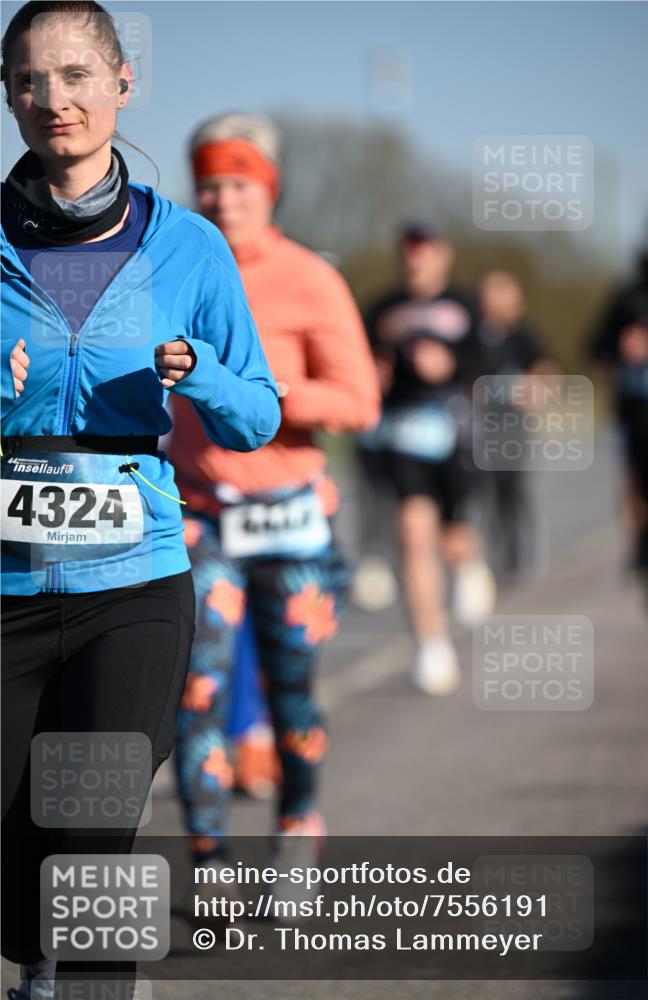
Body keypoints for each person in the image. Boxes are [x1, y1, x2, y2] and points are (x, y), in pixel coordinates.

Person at [0, 4, 280, 998]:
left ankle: (97, 981)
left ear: (123, 85)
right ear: (8, 93)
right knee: (17, 849)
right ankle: (42, 957)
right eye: (30, 79)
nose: (53, 100)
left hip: (136, 579)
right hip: (6, 587)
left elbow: (255, 418)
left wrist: (199, 369)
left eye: (77, 76)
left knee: (94, 823)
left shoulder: (191, 248)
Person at [168, 114, 380, 880]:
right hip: (202, 517)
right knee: (197, 692)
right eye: (211, 184)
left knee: (291, 694)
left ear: (268, 190)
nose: (223, 200)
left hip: (291, 520)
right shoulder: (177, 270)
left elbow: (360, 401)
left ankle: (297, 822)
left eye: (239, 184)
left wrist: (262, 396)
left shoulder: (308, 278)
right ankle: (211, 860)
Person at [365, 221, 496, 695]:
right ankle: (431, 642)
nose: (416, 260)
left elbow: (491, 362)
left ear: (444, 255)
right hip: (403, 436)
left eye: (425, 251)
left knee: (453, 535)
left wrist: (453, 365)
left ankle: (469, 562)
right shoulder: (383, 309)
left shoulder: (466, 306)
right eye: (409, 252)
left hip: (456, 435)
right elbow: (362, 360)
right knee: (414, 535)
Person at [591, 214, 648, 632]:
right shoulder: (630, 298)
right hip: (639, 420)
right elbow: (596, 348)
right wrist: (621, 348)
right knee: (644, 502)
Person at [477, 270, 554, 577]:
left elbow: (548, 367)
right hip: (482, 425)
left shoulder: (523, 336)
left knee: (514, 487)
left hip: (513, 425)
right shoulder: (476, 336)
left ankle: (522, 546)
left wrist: (536, 386)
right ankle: (495, 548)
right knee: (487, 490)